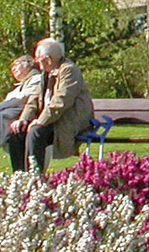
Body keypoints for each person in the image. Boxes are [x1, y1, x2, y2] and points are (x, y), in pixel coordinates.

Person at [7, 38, 94, 174]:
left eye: (38, 58)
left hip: (68, 122)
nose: (36, 61)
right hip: (52, 119)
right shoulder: (45, 73)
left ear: (48, 59)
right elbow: (33, 100)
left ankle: (34, 176)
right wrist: (23, 119)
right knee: (16, 133)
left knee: (35, 132)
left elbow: (61, 101)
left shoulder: (69, 71)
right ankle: (20, 177)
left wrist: (40, 122)